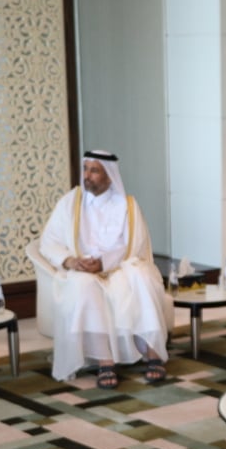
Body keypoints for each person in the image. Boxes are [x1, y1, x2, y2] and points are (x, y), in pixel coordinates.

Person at [39, 150, 171, 388]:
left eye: (94, 171)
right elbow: (49, 242)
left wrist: (103, 263)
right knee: (84, 285)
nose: (87, 176)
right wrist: (71, 261)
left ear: (109, 176)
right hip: (81, 269)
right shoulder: (70, 203)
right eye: (86, 169)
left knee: (141, 276)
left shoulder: (127, 205)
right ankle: (105, 362)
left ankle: (153, 354)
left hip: (118, 267)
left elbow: (133, 245)